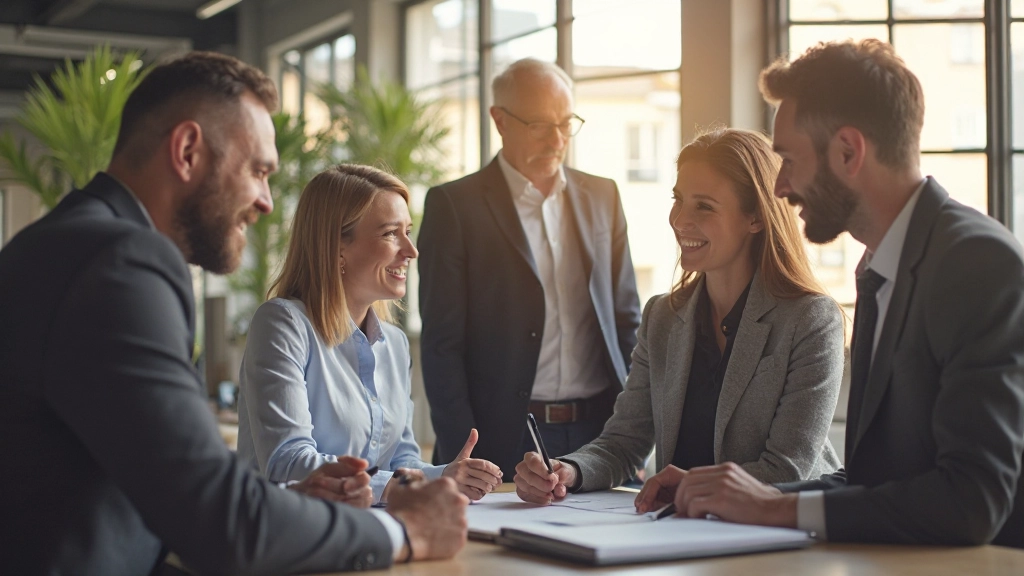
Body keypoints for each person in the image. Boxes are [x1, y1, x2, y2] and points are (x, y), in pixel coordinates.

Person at [0, 52, 469, 576]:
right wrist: (402, 532)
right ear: (187, 151)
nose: (267, 201)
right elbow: (216, 514)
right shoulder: (121, 262)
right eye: (258, 171)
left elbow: (162, 485)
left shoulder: (67, 243)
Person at [638, 39, 1024, 548]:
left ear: (848, 151)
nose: (779, 187)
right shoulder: (880, 267)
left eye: (790, 159)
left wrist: (771, 506)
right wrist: (724, 493)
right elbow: (876, 479)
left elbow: (972, 501)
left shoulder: (975, 262)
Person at [514, 128, 844, 504]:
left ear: (755, 217)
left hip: (777, 536)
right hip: (682, 532)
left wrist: (687, 485)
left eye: (704, 206)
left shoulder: (811, 319)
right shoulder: (663, 317)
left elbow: (787, 468)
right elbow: (623, 443)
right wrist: (566, 471)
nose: (680, 219)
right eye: (678, 199)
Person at [418, 58, 643, 476]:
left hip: (602, 431)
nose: (558, 140)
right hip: (501, 436)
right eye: (540, 125)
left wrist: (636, 435)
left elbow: (627, 321)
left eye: (566, 123)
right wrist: (458, 455)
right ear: (499, 120)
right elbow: (441, 346)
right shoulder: (455, 206)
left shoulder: (602, 196)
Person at [237, 164, 503, 503]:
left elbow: (400, 462)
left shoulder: (394, 344)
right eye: (391, 233)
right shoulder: (282, 324)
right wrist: (403, 486)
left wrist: (445, 475)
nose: (411, 250)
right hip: (292, 537)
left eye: (408, 231)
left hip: (373, 533)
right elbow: (289, 463)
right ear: (337, 246)